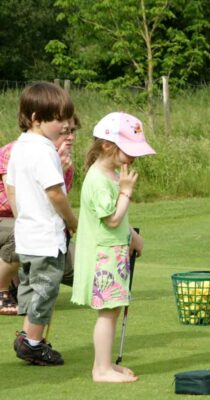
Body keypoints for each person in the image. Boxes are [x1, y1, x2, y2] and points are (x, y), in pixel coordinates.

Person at [71, 112, 154, 383]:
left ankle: (104, 364)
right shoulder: (98, 179)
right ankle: (102, 370)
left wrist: (132, 237)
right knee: (108, 312)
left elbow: (119, 220)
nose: (134, 158)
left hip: (115, 250)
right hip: (104, 255)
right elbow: (112, 217)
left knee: (113, 309)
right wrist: (127, 190)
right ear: (108, 145)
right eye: (130, 150)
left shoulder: (112, 173)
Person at [7, 82, 77, 366]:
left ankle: (27, 335)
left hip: (26, 234)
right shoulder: (44, 149)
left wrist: (22, 218)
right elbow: (55, 193)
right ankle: (32, 343)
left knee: (29, 286)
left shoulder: (20, 146)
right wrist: (72, 221)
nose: (64, 126)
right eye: (58, 119)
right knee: (45, 289)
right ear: (36, 118)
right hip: (45, 236)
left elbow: (11, 188)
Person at [0, 115, 80, 316]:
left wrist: (59, 171)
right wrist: (71, 221)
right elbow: (14, 195)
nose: (70, 137)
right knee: (21, 233)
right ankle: (1, 291)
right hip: (10, 218)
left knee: (82, 271)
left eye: (73, 131)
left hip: (37, 223)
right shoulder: (15, 150)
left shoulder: (64, 163)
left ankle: (19, 283)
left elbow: (53, 204)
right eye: (65, 131)